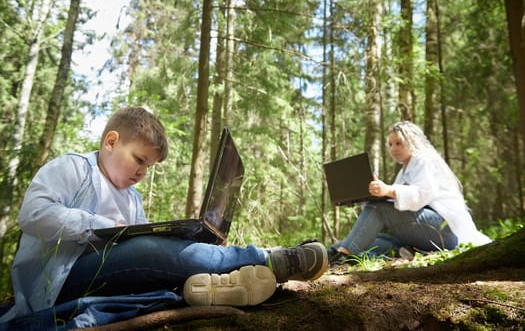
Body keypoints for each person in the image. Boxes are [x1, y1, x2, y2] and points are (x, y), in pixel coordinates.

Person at [0, 106, 328, 322]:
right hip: (58, 283)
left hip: (110, 278)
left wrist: (184, 236)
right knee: (146, 250)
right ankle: (267, 260)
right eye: (139, 160)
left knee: (155, 249)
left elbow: (142, 252)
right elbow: (32, 214)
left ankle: (209, 287)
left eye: (149, 167)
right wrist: (102, 226)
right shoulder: (73, 167)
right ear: (111, 142)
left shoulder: (132, 198)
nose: (143, 172)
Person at [328, 121, 492, 264]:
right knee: (375, 239)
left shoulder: (424, 160)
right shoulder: (404, 170)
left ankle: (343, 257)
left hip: (448, 230)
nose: (393, 149)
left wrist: (388, 190)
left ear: (412, 141)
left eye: (399, 143)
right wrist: (366, 197)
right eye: (390, 144)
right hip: (426, 231)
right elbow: (398, 203)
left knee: (378, 209)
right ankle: (331, 253)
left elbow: (421, 194)